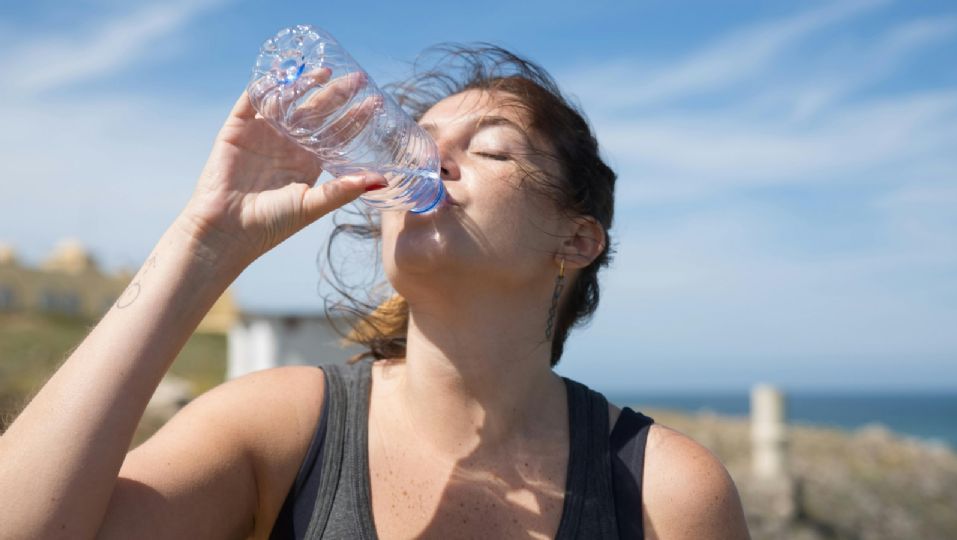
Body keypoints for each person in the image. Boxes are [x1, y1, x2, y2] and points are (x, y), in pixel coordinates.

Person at [0, 45, 750, 539]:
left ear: (576, 243)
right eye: (415, 141)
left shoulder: (664, 490)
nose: (425, 161)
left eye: (488, 148)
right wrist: (207, 244)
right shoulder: (280, 428)